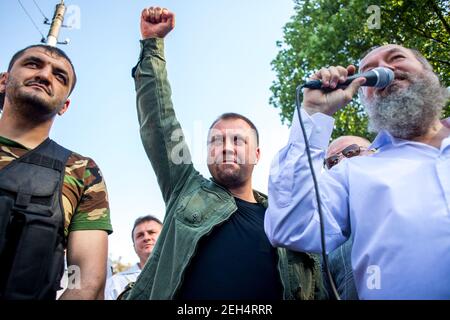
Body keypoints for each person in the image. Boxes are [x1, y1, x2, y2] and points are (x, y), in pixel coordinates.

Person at [124, 6, 326, 300]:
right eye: (216, 141)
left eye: (237, 140)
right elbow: (159, 122)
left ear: (257, 154)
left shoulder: (285, 221)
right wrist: (153, 45)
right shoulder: (186, 189)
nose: (227, 147)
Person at [265, 44, 450, 299]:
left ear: (429, 72)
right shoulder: (353, 173)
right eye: (369, 70)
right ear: (365, 96)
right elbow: (291, 227)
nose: (383, 69)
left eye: (396, 58)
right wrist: (315, 115)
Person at [0, 45, 112, 299]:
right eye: (33, 64)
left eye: (60, 76)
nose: (45, 75)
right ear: (3, 81)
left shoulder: (82, 172)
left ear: (65, 106)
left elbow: (84, 280)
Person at [323, 136, 372, 300]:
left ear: (376, 154)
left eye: (351, 152)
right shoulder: (324, 239)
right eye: (332, 162)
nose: (342, 163)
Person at [105, 215, 162, 300]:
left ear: (166, 237)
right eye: (140, 235)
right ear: (134, 247)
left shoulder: (182, 276)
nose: (146, 238)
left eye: (151, 232)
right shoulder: (115, 283)